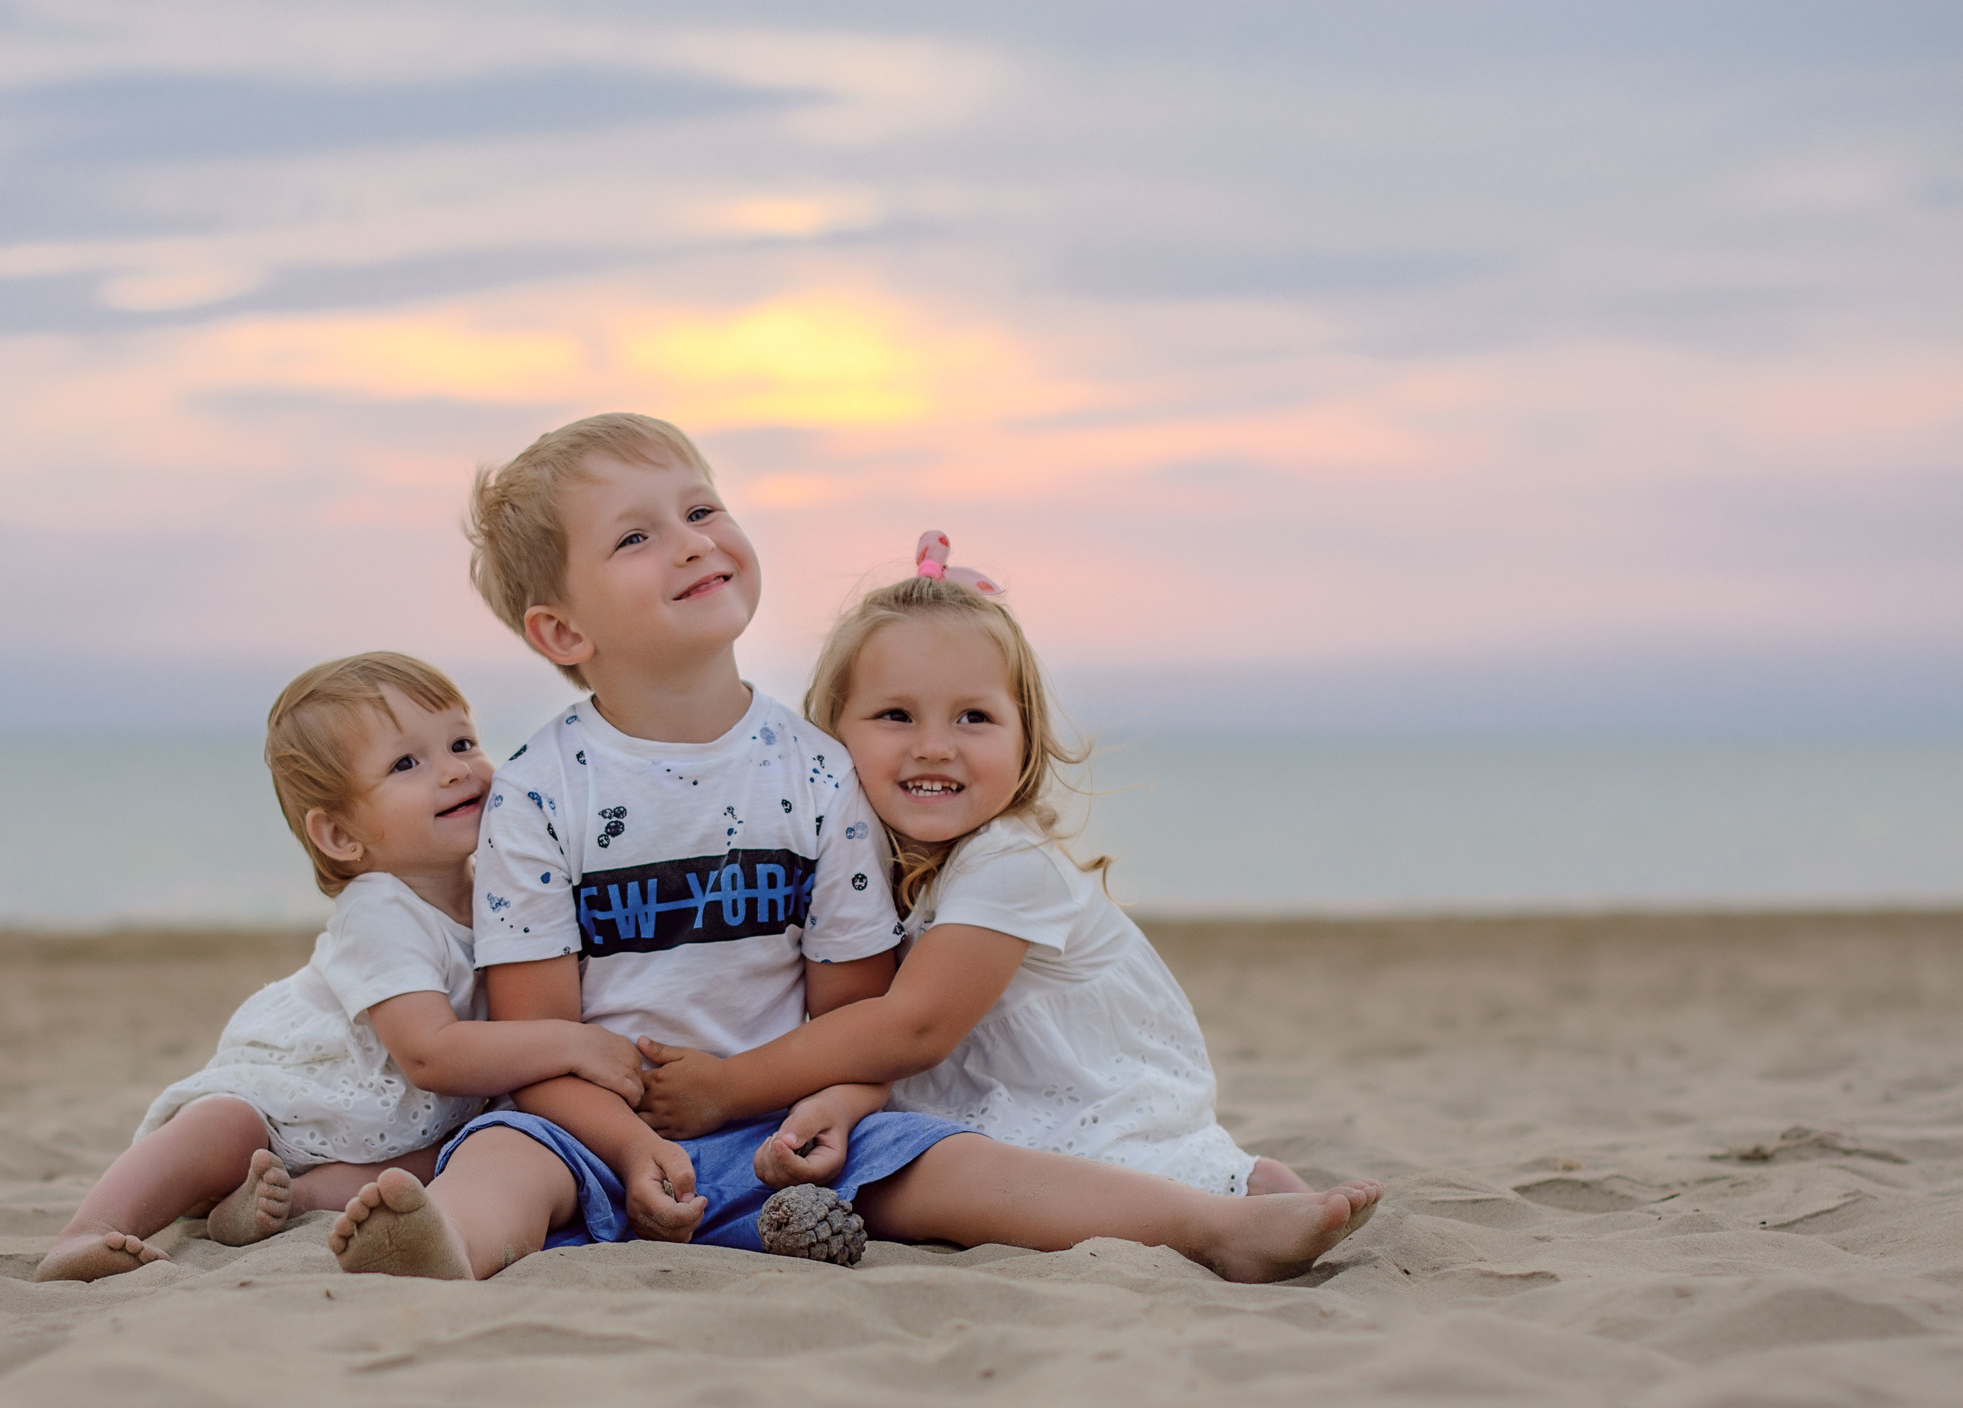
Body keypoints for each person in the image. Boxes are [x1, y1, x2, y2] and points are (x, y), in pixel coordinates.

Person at [327, 414, 1378, 1285]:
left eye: (700, 510)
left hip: (787, 1129)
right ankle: (445, 1248)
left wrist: (829, 1110)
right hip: (597, 1129)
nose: (693, 541)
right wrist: (629, 1142)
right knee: (505, 1157)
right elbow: (538, 1040)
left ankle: (1209, 1227)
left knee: (950, 1166)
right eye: (636, 538)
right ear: (561, 634)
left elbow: (859, 1019)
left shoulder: (818, 772)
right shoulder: (537, 796)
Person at [635, 534, 1302, 1199]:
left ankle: (1257, 1188)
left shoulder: (1010, 860)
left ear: (1025, 740)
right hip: (982, 1106)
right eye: (896, 714)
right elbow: (860, 1029)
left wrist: (727, 1087)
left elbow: (913, 1027)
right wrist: (841, 1101)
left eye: (974, 717)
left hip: (1098, 1101)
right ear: (832, 736)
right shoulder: (858, 856)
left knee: (1160, 1182)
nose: (934, 747)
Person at [34, 652, 645, 1282]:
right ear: (340, 836)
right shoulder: (379, 909)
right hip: (302, 1095)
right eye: (407, 763)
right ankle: (88, 1231)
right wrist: (571, 1043)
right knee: (223, 1126)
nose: (454, 770)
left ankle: (278, 1201)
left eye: (462, 742)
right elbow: (428, 1055)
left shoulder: (503, 887)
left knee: (445, 1161)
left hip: (402, 1126)